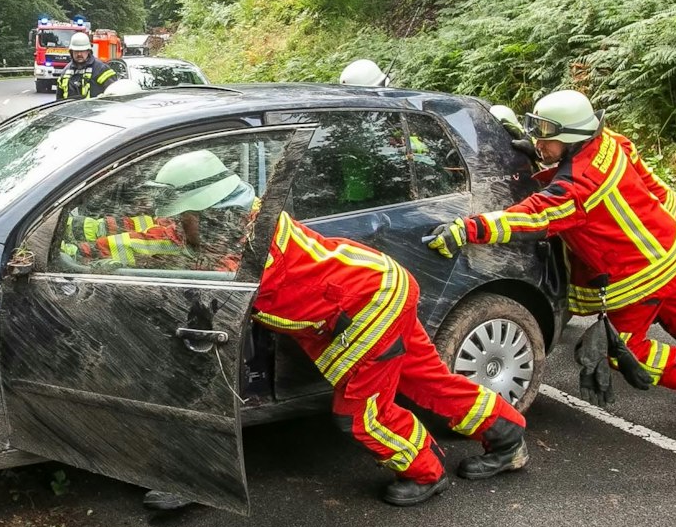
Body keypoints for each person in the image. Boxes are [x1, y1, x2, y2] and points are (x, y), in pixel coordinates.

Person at [81, 149, 531, 508]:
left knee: (360, 417)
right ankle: (508, 439)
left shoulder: (248, 253)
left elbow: (185, 259)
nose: (177, 222)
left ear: (210, 208)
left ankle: (426, 472)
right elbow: (158, 235)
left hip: (369, 306)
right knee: (427, 380)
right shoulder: (230, 222)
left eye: (183, 214)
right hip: (377, 286)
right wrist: (85, 245)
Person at [423, 89, 676, 433]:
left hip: (639, 274)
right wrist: (540, 152)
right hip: (668, 252)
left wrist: (469, 228)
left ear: (571, 138)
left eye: (547, 138)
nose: (539, 143)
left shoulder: (580, 185)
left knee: (626, 351)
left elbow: (536, 216)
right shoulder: (608, 141)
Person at [56, 32, 122, 100]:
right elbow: (59, 100)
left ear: (88, 51)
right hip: (70, 107)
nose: (79, 54)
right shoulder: (65, 72)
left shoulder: (100, 69)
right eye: (76, 51)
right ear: (71, 52)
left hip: (95, 107)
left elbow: (113, 94)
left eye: (82, 51)